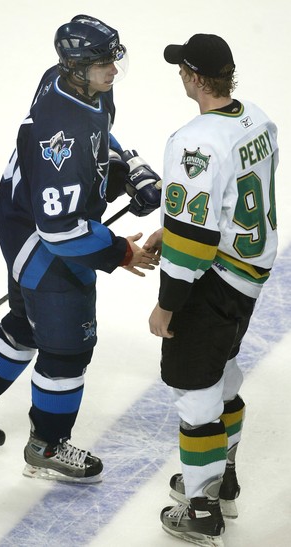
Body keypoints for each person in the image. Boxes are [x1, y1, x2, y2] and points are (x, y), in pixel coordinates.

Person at [0, 15, 162, 484]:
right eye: (101, 64)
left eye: (114, 59)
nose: (112, 70)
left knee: (26, 323)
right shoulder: (61, 134)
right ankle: (47, 445)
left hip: (21, 218)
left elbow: (98, 137)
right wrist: (120, 252)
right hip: (40, 239)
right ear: (76, 68)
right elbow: (60, 230)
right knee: (69, 346)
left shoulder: (68, 84)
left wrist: (127, 164)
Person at [145, 34, 278, 545]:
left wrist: (166, 305)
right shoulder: (258, 119)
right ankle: (225, 482)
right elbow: (226, 202)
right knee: (223, 374)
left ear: (198, 78)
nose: (180, 74)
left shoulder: (194, 140)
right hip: (249, 277)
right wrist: (176, 225)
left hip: (214, 283)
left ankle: (201, 508)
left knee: (195, 392)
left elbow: (195, 244)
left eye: (183, 69)